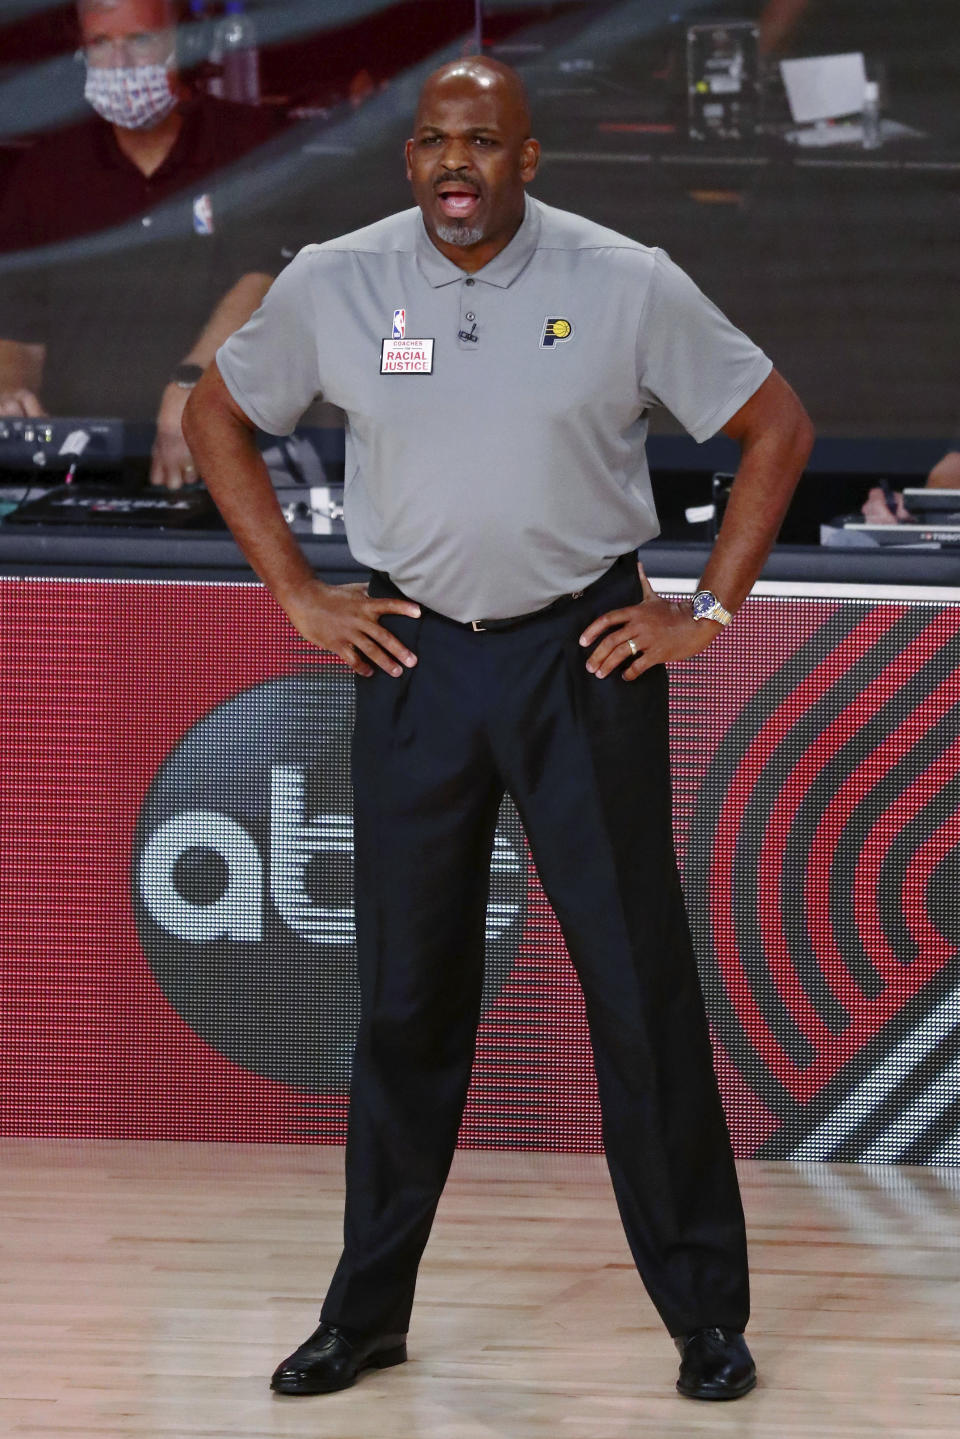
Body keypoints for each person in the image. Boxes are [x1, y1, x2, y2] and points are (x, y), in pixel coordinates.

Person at [183, 57, 813, 1403]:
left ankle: (706, 1315)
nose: (454, 163)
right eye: (432, 141)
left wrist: (705, 603)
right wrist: (297, 590)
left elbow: (774, 425)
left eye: (482, 142)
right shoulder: (338, 281)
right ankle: (365, 1313)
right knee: (404, 1002)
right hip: (415, 659)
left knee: (638, 995)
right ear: (409, 160)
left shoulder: (622, 278)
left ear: (529, 160)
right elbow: (216, 414)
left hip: (581, 657)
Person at [0, 0, 285, 488]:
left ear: (183, 42)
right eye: (101, 44)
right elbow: (19, 332)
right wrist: (9, 392)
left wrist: (192, 389)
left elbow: (268, 277)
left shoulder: (250, 143)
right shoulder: (47, 171)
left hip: (232, 463)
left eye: (139, 40)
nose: (121, 64)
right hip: (79, 471)